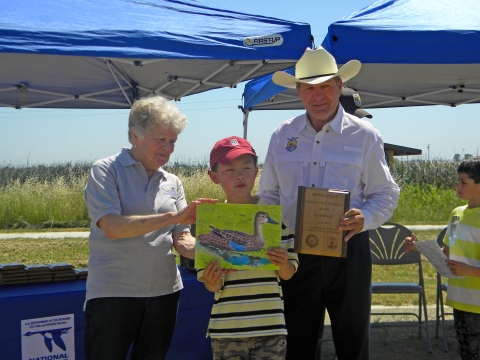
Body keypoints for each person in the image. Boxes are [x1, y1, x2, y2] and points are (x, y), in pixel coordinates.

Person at [256, 46, 400, 360]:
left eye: (325, 87)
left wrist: (364, 217)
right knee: (297, 343)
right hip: (295, 254)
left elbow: (386, 194)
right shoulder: (282, 136)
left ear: (339, 86)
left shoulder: (365, 135)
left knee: (352, 342)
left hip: (350, 251)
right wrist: (268, 239)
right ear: (298, 91)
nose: (318, 95)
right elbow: (268, 196)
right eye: (309, 88)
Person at [83, 95, 216, 360]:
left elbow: (182, 239)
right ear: (135, 135)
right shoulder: (105, 170)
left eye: (173, 141)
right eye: (161, 139)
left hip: (164, 294)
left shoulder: (173, 182)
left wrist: (215, 252)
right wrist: (174, 216)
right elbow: (113, 227)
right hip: (113, 293)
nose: (168, 148)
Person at [197, 136, 299, 360]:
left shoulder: (277, 220)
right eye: (230, 169)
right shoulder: (208, 220)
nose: (240, 175)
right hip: (227, 329)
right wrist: (212, 279)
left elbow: (289, 273)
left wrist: (282, 263)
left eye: (246, 167)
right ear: (214, 177)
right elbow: (211, 285)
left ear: (256, 171)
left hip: (270, 328)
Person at [405, 157, 480, 360]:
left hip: (478, 303)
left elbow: (465, 266)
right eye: (457, 181)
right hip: (459, 299)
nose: (457, 186)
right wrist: (418, 247)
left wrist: (469, 271)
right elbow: (447, 254)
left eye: (464, 182)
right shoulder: (456, 215)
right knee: (466, 353)